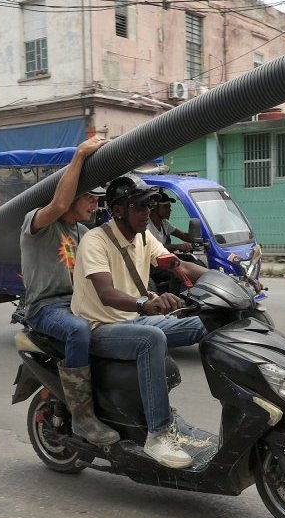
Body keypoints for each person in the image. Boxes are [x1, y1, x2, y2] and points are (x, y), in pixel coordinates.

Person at [71, 174, 215, 469]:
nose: (147, 211)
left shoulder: (144, 237)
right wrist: (145, 303)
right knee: (153, 340)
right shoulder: (94, 241)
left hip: (132, 322)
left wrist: (228, 282)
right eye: (139, 205)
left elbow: (177, 265)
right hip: (101, 328)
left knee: (205, 322)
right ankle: (158, 434)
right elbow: (107, 293)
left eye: (149, 204)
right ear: (118, 209)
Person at [16, 135, 117, 446]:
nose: (95, 203)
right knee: (78, 332)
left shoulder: (83, 232)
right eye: (89, 196)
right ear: (71, 195)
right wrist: (79, 156)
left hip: (76, 303)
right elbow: (59, 204)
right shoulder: (38, 224)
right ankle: (83, 418)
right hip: (45, 308)